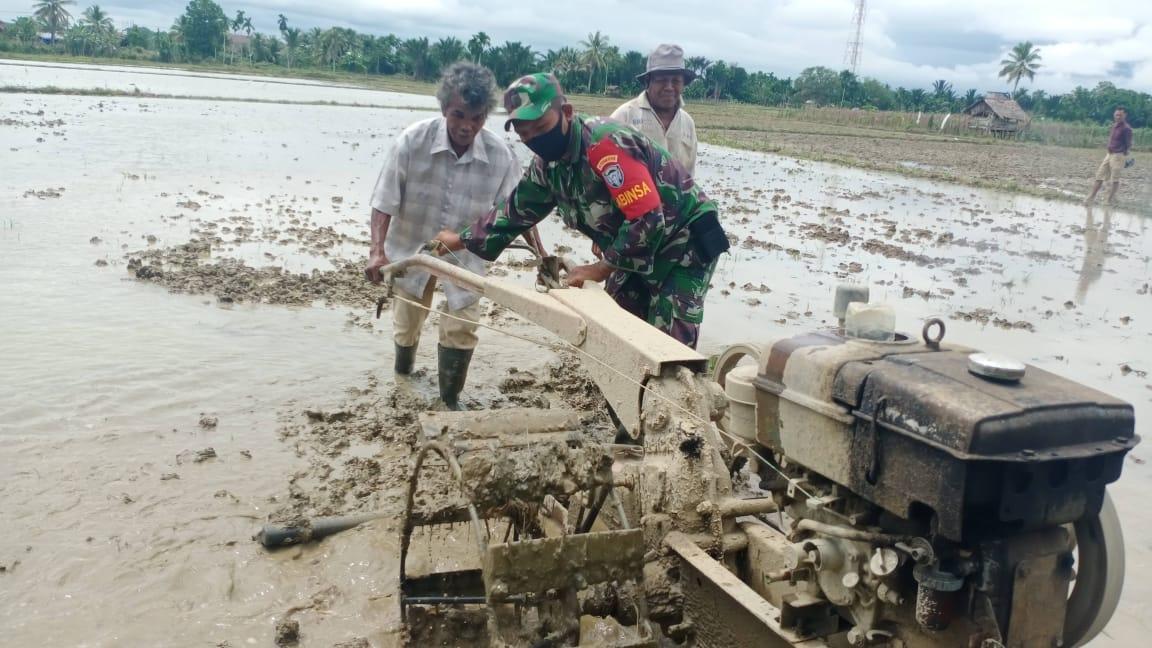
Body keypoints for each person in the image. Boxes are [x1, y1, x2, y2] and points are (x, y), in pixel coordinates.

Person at [432, 73, 729, 349]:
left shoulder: (605, 146)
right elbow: (515, 211)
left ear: (568, 112)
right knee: (616, 330)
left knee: (666, 348)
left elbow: (647, 218)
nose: (536, 139)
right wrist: (458, 240)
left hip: (684, 243)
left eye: (542, 127)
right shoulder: (547, 166)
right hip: (636, 248)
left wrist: (599, 270)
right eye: (526, 133)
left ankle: (676, 402)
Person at [365, 62, 522, 410]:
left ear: (487, 116)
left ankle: (449, 400)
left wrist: (541, 256)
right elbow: (384, 200)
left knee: (462, 326)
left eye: (478, 117)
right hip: (411, 249)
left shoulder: (501, 156)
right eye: (459, 115)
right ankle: (403, 376)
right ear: (444, 108)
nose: (467, 126)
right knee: (407, 323)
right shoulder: (412, 141)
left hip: (464, 258)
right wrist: (377, 251)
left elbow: (518, 209)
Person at [611, 44, 699, 176]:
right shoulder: (624, 116)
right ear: (648, 81)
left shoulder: (688, 123)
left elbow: (689, 177)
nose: (669, 87)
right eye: (661, 80)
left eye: (676, 80)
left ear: (683, 84)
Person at [1086, 106, 1134, 205]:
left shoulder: (1126, 129)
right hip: (1109, 154)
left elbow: (1128, 144)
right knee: (1099, 176)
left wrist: (1124, 156)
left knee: (1114, 179)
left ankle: (1109, 200)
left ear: (1125, 115)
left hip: (1118, 155)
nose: (1118, 117)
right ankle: (1090, 198)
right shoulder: (1114, 125)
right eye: (1116, 115)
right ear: (1114, 115)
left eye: (1120, 115)